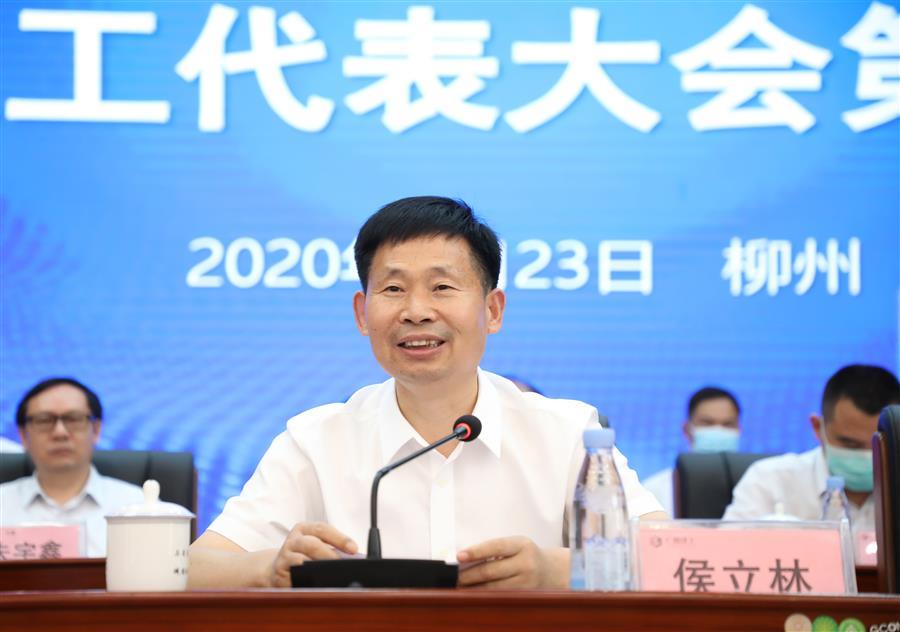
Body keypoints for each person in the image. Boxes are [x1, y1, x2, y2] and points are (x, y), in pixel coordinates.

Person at [189, 196, 665, 589]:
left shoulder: (567, 433)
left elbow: (672, 557)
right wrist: (268, 568)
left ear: (493, 311)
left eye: (442, 287)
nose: (416, 311)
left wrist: (555, 571)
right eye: (393, 289)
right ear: (361, 313)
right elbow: (191, 568)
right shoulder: (316, 441)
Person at [723, 364, 900, 535]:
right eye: (850, 444)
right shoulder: (769, 481)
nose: (867, 456)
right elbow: (727, 549)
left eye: (878, 446)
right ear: (818, 427)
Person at [0, 378, 144, 556]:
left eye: (74, 419)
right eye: (44, 420)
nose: (60, 432)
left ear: (96, 430)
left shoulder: (138, 506)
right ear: (23, 435)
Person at [642, 386, 742, 516]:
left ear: (739, 429)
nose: (718, 430)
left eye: (727, 424)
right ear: (687, 429)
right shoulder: (653, 490)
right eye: (708, 423)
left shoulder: (756, 484)